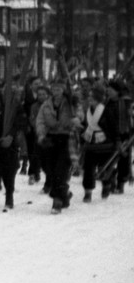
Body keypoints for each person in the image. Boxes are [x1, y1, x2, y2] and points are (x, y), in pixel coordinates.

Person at [35, 78, 82, 214]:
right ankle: (64, 194)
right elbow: (40, 120)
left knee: (60, 170)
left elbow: (79, 114)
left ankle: (57, 201)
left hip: (66, 138)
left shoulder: (71, 103)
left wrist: (76, 119)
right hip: (51, 139)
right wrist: (41, 134)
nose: (56, 92)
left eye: (59, 89)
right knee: (49, 169)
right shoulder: (46, 104)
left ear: (63, 89)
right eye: (54, 89)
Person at [80, 84, 118, 202]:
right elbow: (87, 126)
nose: (89, 99)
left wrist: (117, 141)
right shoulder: (88, 111)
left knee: (105, 168)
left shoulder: (106, 110)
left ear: (98, 98)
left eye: (92, 97)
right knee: (88, 168)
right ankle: (88, 192)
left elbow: (113, 127)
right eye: (89, 97)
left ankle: (106, 185)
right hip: (90, 142)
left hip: (105, 143)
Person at [106, 80, 133, 193]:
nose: (108, 91)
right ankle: (110, 179)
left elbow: (131, 116)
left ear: (117, 91)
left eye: (111, 89)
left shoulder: (127, 102)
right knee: (108, 158)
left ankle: (120, 183)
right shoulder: (107, 102)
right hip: (109, 134)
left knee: (124, 159)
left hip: (124, 133)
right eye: (108, 89)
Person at [23, 76, 45, 185]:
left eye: (39, 83)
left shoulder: (44, 95)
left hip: (42, 127)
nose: (38, 85)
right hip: (30, 127)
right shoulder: (26, 96)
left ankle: (35, 171)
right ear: (31, 85)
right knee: (31, 149)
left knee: (39, 150)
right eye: (36, 83)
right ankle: (34, 171)